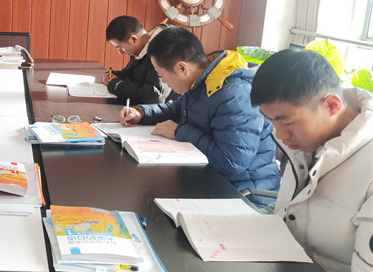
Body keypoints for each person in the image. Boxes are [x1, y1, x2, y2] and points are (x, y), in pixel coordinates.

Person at [250, 49, 372, 272]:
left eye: (287, 122)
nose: (280, 135)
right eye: (271, 121)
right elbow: (292, 206)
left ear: (332, 105)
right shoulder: (310, 141)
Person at [119, 27, 279, 203]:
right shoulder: (204, 80)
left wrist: (180, 132)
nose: (163, 81)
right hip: (208, 180)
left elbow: (232, 162)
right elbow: (177, 108)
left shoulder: (235, 96)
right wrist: (141, 113)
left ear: (182, 68)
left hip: (243, 195)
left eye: (161, 75)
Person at [103, 16, 173, 104]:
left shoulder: (162, 52)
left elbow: (153, 95)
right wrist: (115, 75)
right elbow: (130, 73)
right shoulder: (140, 49)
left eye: (120, 47)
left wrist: (116, 85)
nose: (120, 52)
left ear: (133, 39)